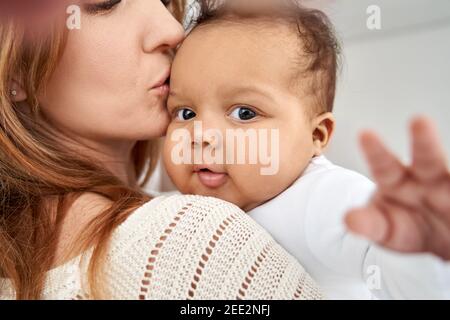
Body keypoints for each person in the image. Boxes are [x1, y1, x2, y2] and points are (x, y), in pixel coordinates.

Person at [0, 0, 322, 300]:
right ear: (12, 63)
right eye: (109, 2)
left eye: (167, 0)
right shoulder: (192, 241)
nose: (172, 30)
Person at [163, 0, 450, 299]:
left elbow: (411, 286)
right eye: (185, 113)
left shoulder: (324, 197)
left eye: (244, 113)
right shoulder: (174, 208)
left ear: (316, 134)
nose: (200, 136)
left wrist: (417, 244)